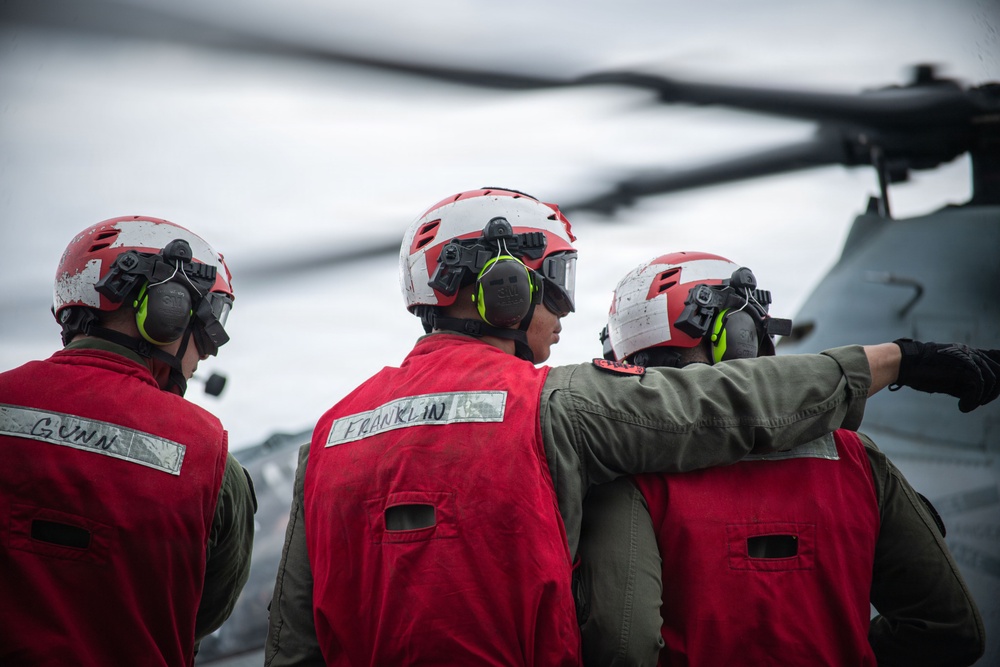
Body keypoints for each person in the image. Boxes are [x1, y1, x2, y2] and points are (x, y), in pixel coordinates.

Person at [263, 188, 998, 667]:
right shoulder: (557, 405)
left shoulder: (331, 434)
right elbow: (723, 404)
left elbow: (293, 645)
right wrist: (897, 361)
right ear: (504, 287)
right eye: (556, 280)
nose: (566, 310)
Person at [577, 251, 987, 666]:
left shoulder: (625, 474)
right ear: (740, 334)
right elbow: (950, 630)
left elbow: (622, 645)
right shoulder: (854, 457)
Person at [0, 215, 257, 666]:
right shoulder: (210, 459)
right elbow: (204, 612)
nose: (210, 346)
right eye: (211, 317)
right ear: (168, 310)